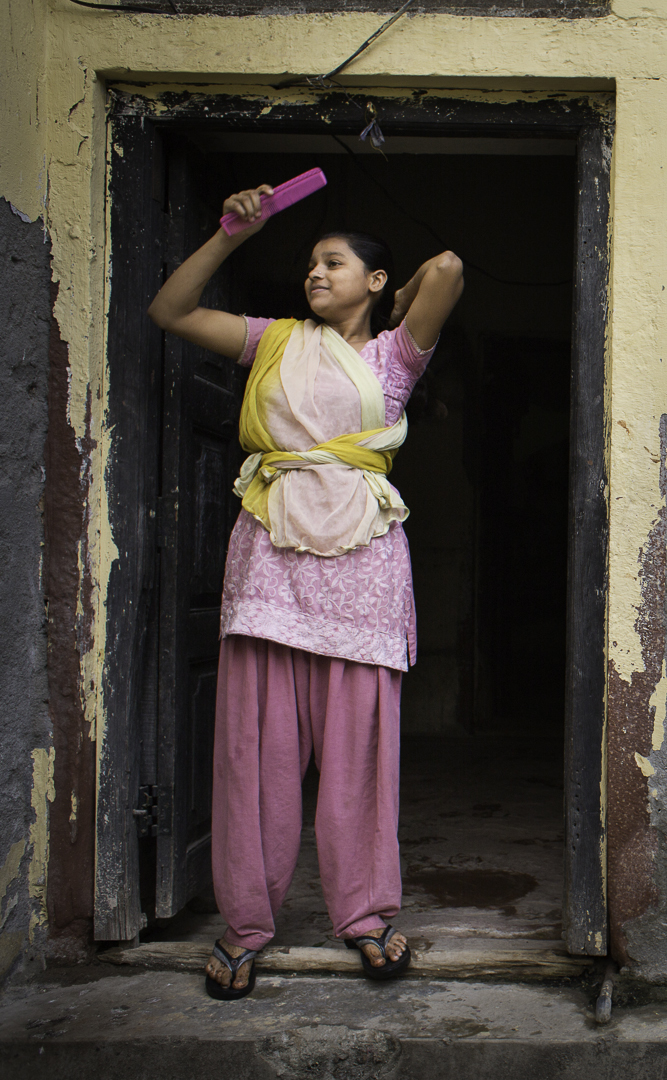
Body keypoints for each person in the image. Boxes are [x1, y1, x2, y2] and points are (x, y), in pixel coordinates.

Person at [147, 183, 464, 999]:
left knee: (357, 759)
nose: (314, 275)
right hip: (272, 562)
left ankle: (363, 917)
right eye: (310, 265)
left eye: (333, 263)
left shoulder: (395, 354)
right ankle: (247, 925)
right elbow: (171, 310)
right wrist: (228, 232)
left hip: (362, 571)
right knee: (256, 755)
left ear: (374, 279)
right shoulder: (275, 341)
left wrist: (398, 294)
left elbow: (452, 268)